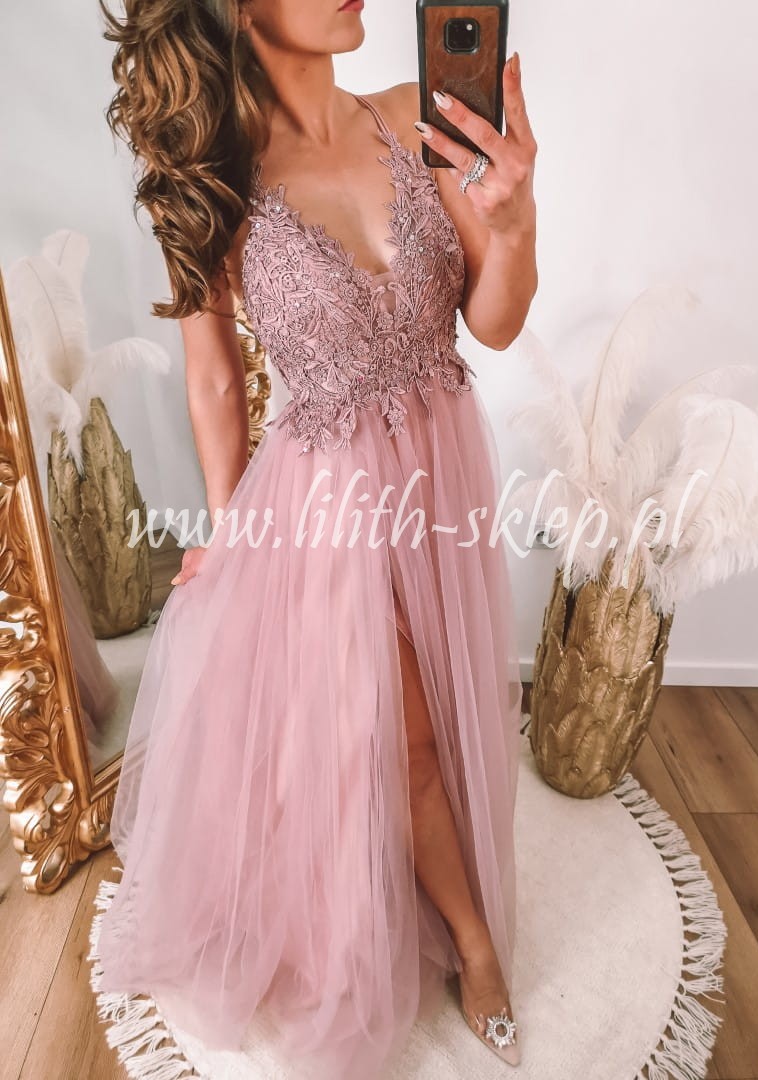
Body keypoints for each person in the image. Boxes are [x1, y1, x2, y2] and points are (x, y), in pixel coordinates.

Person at [92, 2, 538, 1078]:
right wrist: (231, 530)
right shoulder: (213, 178)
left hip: (441, 477)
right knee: (404, 731)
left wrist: (515, 219)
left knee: (442, 709)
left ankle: (416, 885)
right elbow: (212, 376)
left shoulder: (416, 114)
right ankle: (473, 945)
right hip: (325, 495)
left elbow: (495, 321)